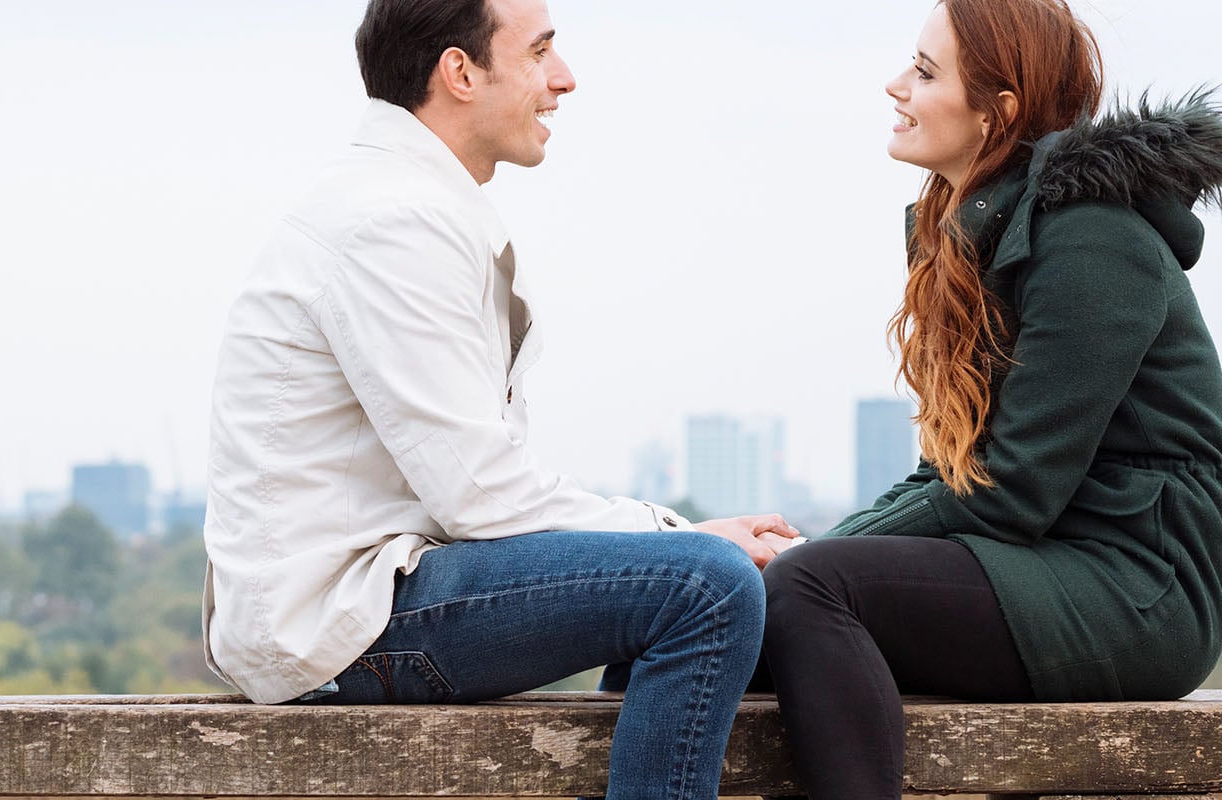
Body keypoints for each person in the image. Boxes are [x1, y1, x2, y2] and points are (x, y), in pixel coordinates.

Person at [200, 0, 799, 797]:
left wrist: (668, 544)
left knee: (689, 583)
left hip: (366, 597)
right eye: (540, 52)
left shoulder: (404, 201)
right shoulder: (392, 220)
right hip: (337, 623)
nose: (565, 78)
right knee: (704, 586)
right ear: (460, 72)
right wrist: (678, 535)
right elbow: (479, 492)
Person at [756, 1, 1222, 797]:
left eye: (924, 73)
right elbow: (950, 473)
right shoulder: (977, 233)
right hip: (1039, 558)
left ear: (998, 112)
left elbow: (1014, 487)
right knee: (703, 609)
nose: (895, 85)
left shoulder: (1092, 237)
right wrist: (808, 551)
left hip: (1139, 586)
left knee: (808, 587)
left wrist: (806, 560)